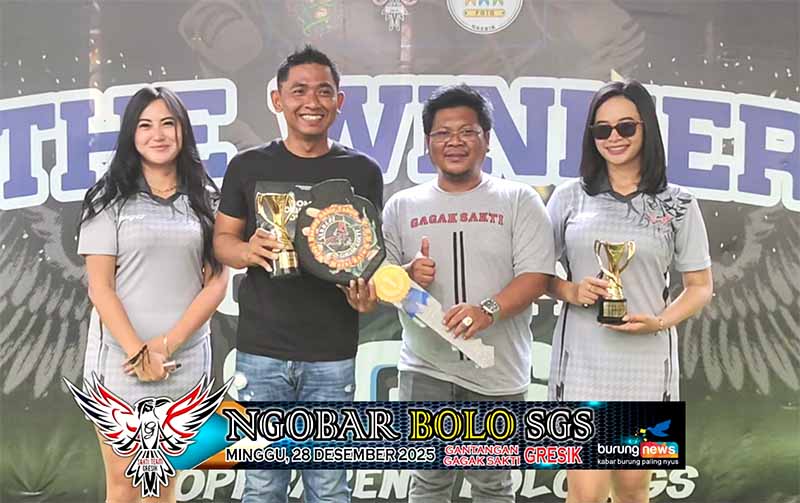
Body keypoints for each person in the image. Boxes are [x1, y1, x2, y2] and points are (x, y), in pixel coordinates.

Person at [213, 45, 383, 503]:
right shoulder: (248, 166)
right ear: (278, 99)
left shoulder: (362, 171)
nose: (312, 102)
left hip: (332, 351)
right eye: (299, 91)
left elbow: (368, 256)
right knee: (262, 484)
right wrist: (246, 250)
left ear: (339, 102)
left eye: (324, 91)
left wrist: (367, 294)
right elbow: (222, 242)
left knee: (328, 485)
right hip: (261, 351)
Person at [381, 83, 555, 503]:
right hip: (425, 371)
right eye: (442, 133)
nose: (454, 142)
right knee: (428, 482)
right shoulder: (402, 206)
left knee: (493, 485)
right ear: (428, 143)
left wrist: (487, 310)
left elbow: (536, 276)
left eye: (467, 131)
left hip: (498, 373)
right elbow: (382, 282)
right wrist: (406, 275)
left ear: (486, 140)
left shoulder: (517, 200)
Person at [545, 80, 714, 503]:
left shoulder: (678, 203)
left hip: (646, 364)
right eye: (602, 129)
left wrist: (659, 321)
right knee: (585, 493)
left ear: (646, 128)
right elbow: (535, 275)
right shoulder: (568, 198)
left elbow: (700, 286)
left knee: (634, 490)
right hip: (581, 362)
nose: (614, 138)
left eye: (625, 126)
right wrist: (571, 290)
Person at [78, 85, 229, 503]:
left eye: (168, 123)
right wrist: (139, 354)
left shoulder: (208, 199)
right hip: (119, 361)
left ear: (183, 131)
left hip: (185, 359)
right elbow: (101, 287)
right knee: (124, 483)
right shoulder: (107, 198)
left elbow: (217, 282)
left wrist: (166, 345)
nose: (157, 134)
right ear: (131, 134)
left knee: (162, 482)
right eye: (145, 125)